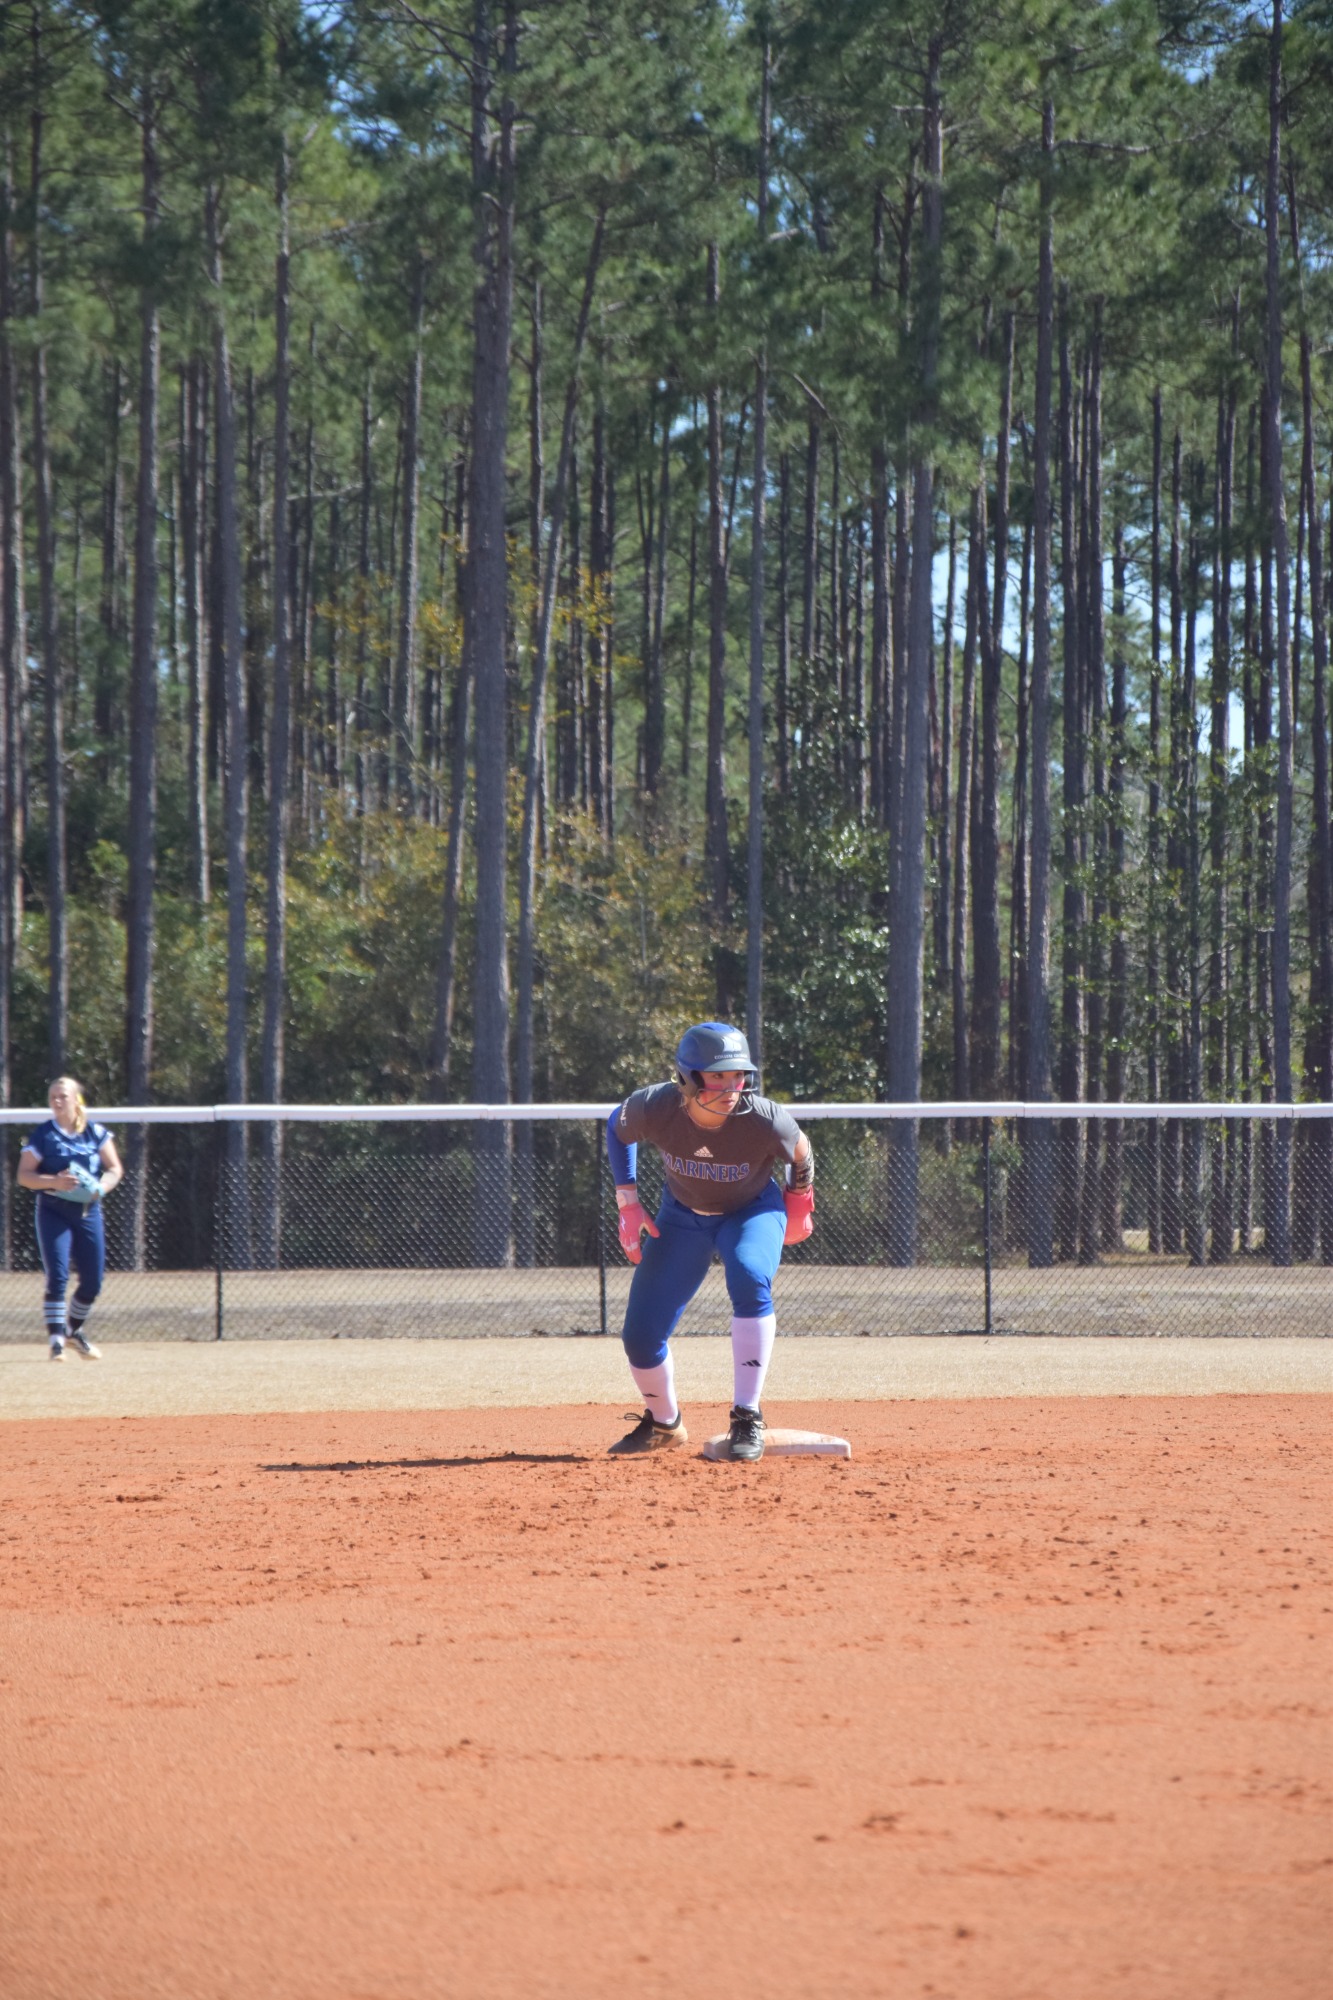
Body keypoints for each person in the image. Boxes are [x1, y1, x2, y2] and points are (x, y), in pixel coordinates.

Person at [605, 1021, 814, 1462]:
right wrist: (628, 1203)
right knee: (640, 1337)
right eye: (716, 1075)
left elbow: (802, 1152)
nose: (730, 1086)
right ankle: (665, 1423)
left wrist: (799, 1204)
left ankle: (747, 1416)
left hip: (751, 1211)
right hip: (681, 1218)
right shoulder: (656, 1106)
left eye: (737, 1075)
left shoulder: (762, 1117)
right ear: (686, 1078)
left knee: (749, 1274)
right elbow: (616, 1128)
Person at [17, 1076, 122, 1361]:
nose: (57, 1101)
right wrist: (54, 1180)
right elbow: (24, 1176)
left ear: (76, 1099)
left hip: (87, 1211)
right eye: (53, 1097)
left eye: (63, 1096)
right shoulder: (44, 1135)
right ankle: (56, 1343)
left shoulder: (94, 1133)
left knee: (93, 1282)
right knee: (58, 1275)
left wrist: (102, 1187)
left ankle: (72, 1331)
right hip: (53, 1209)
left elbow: (114, 1168)